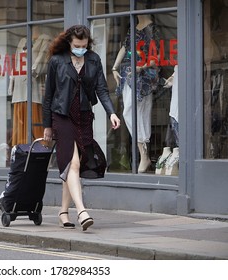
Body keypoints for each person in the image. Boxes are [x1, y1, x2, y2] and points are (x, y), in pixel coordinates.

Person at [42, 25, 121, 231]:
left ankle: (62, 212)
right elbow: (48, 96)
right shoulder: (57, 61)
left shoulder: (93, 59)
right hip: (63, 117)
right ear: (69, 42)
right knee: (73, 163)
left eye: (84, 46)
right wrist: (47, 126)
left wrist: (111, 112)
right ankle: (82, 211)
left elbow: (102, 89)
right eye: (77, 46)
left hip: (84, 117)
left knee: (72, 169)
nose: (81, 49)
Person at [112, 15, 161, 173]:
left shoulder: (152, 28)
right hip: (128, 73)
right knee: (131, 111)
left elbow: (158, 55)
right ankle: (143, 154)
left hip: (143, 75)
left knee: (138, 112)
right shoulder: (133, 26)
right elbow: (125, 47)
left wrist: (144, 67)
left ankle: (144, 154)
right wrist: (114, 68)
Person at [9, 26, 51, 146]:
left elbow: (41, 59)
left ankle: (41, 149)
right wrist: (12, 82)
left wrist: (34, 71)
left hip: (34, 86)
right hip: (19, 88)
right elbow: (17, 60)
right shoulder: (22, 41)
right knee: (20, 122)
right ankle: (20, 150)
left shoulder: (44, 39)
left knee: (35, 119)